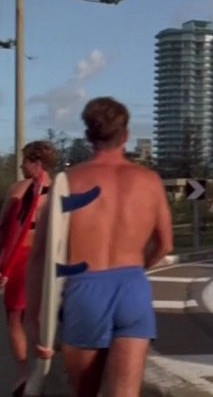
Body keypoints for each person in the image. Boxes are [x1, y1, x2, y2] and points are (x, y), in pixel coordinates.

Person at [26, 97, 174, 397]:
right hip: (133, 287)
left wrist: (35, 319)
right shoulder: (150, 181)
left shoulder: (69, 182)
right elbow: (165, 244)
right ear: (126, 135)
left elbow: (40, 255)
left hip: (86, 289)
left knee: (86, 392)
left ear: (89, 136)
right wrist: (135, 268)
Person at [0, 141, 57, 396]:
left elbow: (4, 228)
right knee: (41, 317)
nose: (22, 165)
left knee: (15, 318)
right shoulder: (61, 192)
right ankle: (43, 368)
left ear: (37, 163)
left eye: (24, 160)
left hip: (23, 258)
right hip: (49, 260)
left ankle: (24, 373)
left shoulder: (18, 190)